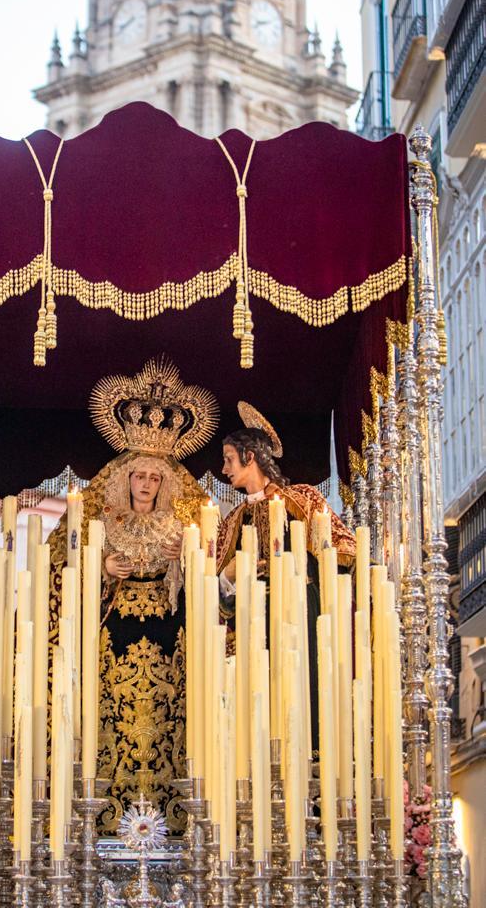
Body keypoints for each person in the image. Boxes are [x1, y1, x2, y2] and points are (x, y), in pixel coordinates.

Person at [47, 357, 218, 836]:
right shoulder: (104, 524)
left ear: (164, 485)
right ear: (127, 480)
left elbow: (207, 583)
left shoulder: (178, 526)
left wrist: (183, 561)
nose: (146, 484)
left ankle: (173, 817)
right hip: (116, 636)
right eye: (140, 477)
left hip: (167, 637)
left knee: (171, 718)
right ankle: (108, 816)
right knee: (113, 721)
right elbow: (62, 572)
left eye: (155, 479)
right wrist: (102, 569)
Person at [216, 400, 355, 747]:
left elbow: (343, 550)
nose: (223, 469)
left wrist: (293, 567)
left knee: (302, 698)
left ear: (251, 458)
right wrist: (230, 576)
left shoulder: (303, 500)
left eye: (230, 459)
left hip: (299, 618)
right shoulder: (233, 520)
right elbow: (217, 586)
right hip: (252, 623)